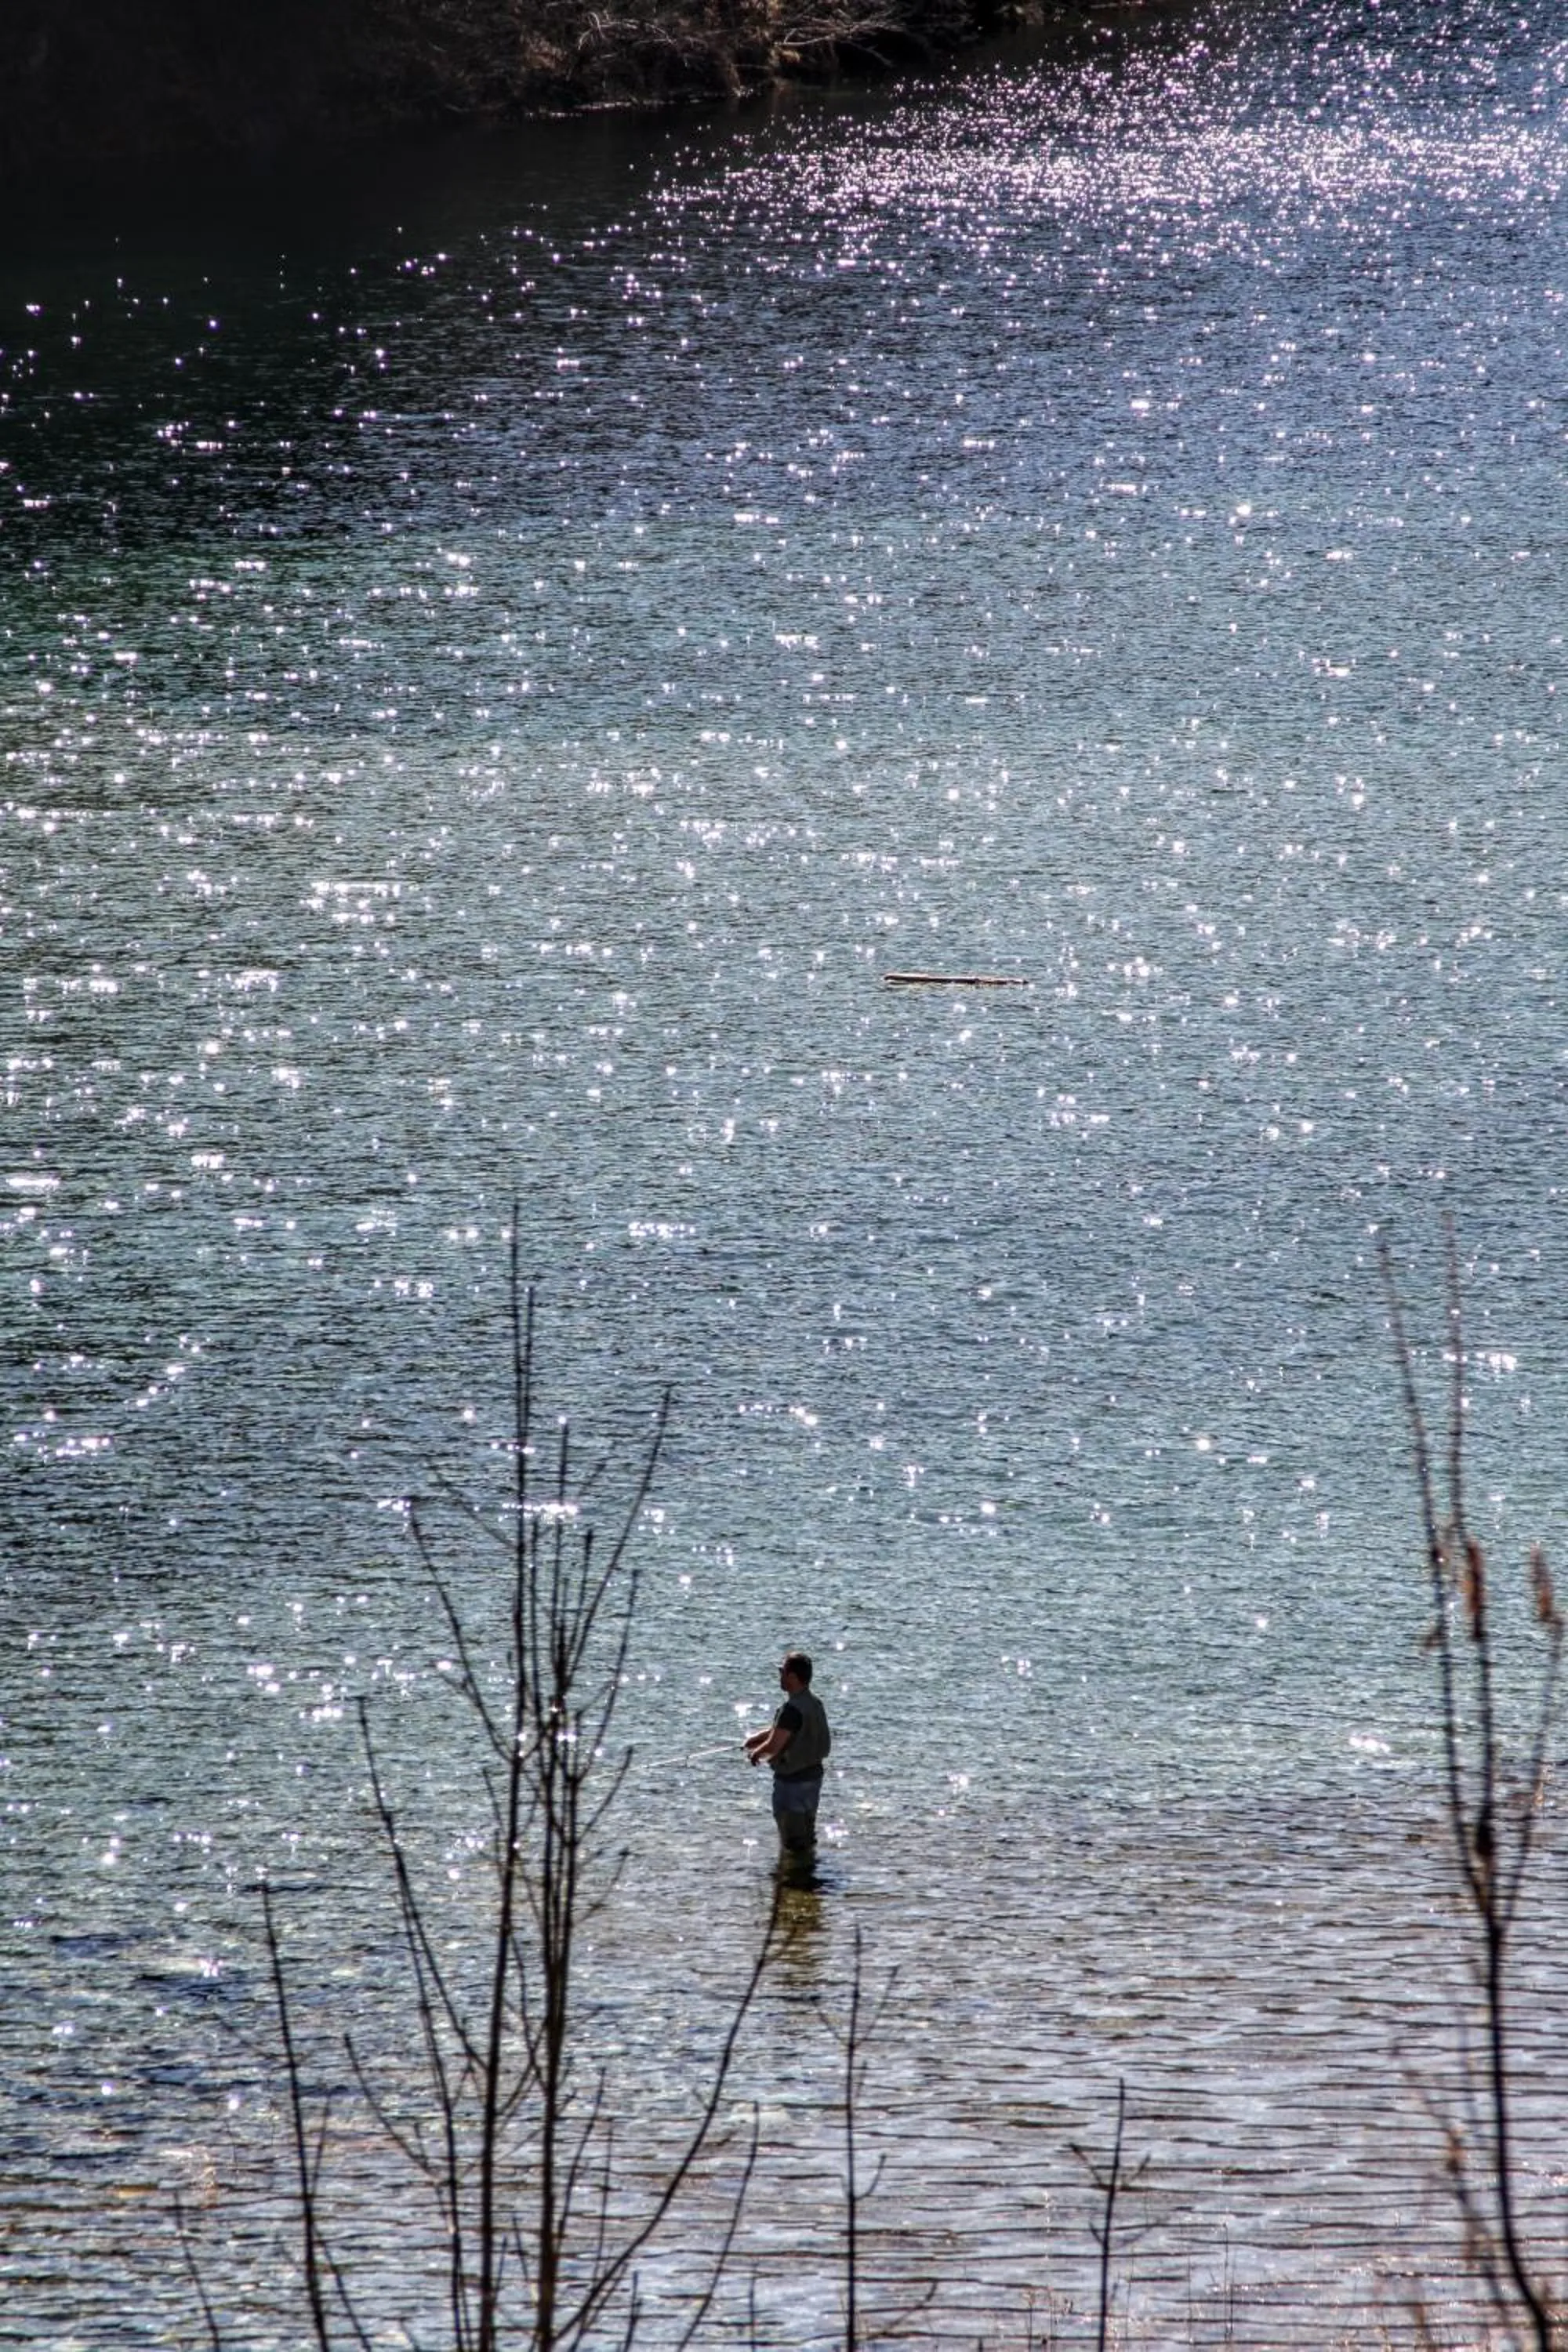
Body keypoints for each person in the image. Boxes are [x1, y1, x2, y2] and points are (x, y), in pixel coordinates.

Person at [744, 1650, 831, 1856]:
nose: (780, 1676)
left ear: (792, 1677)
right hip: (814, 1778)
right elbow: (785, 1731)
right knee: (806, 1832)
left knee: (792, 1839)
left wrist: (756, 1753)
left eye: (782, 1672)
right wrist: (757, 1738)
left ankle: (794, 1879)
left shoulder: (791, 1709)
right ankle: (808, 1874)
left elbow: (775, 1745)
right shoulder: (814, 1703)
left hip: (792, 1783)